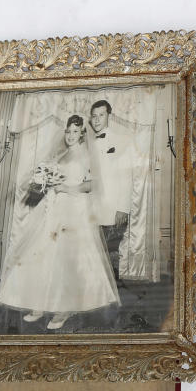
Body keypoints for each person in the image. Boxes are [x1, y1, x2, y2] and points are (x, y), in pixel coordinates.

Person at [0, 114, 118, 330]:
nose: (70, 135)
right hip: (54, 207)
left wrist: (66, 188)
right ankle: (39, 304)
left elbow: (92, 185)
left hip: (75, 210)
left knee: (65, 259)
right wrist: (44, 182)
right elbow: (50, 178)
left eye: (75, 132)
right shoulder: (62, 153)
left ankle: (64, 309)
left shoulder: (87, 155)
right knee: (43, 254)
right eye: (68, 131)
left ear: (82, 134)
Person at [88, 100, 133, 276]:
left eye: (101, 115)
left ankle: (115, 296)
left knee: (111, 255)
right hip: (90, 208)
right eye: (94, 116)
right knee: (91, 256)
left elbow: (127, 176)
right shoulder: (86, 142)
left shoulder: (121, 141)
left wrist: (123, 208)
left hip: (112, 208)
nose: (97, 119)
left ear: (109, 116)